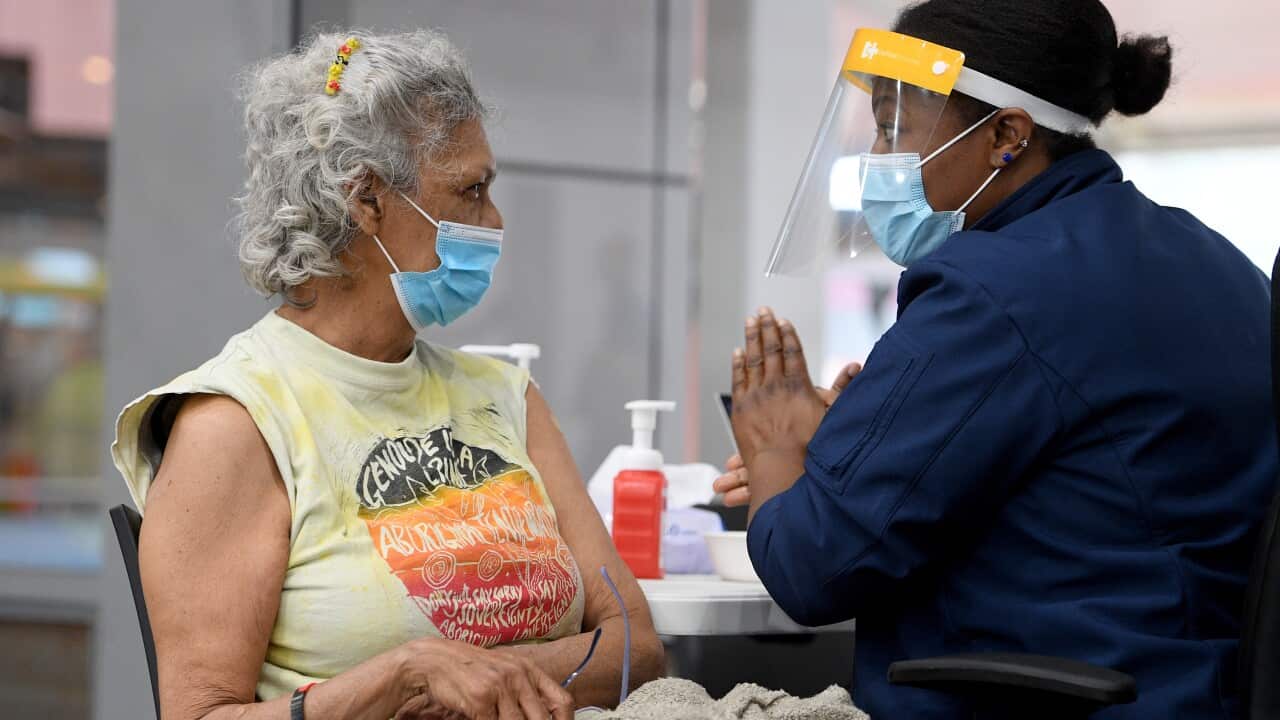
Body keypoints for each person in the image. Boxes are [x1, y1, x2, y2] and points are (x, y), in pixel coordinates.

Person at [715, 1, 1274, 717]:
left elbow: (812, 567)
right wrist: (862, 441)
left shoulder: (992, 290)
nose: (880, 156)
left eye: (897, 127)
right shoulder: (1210, 258)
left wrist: (774, 446)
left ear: (1007, 135)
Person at [111, 30, 662, 720]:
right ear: (366, 199)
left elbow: (637, 646)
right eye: (472, 189)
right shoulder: (236, 424)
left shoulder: (507, 398)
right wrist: (404, 677)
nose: (494, 220)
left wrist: (479, 678)